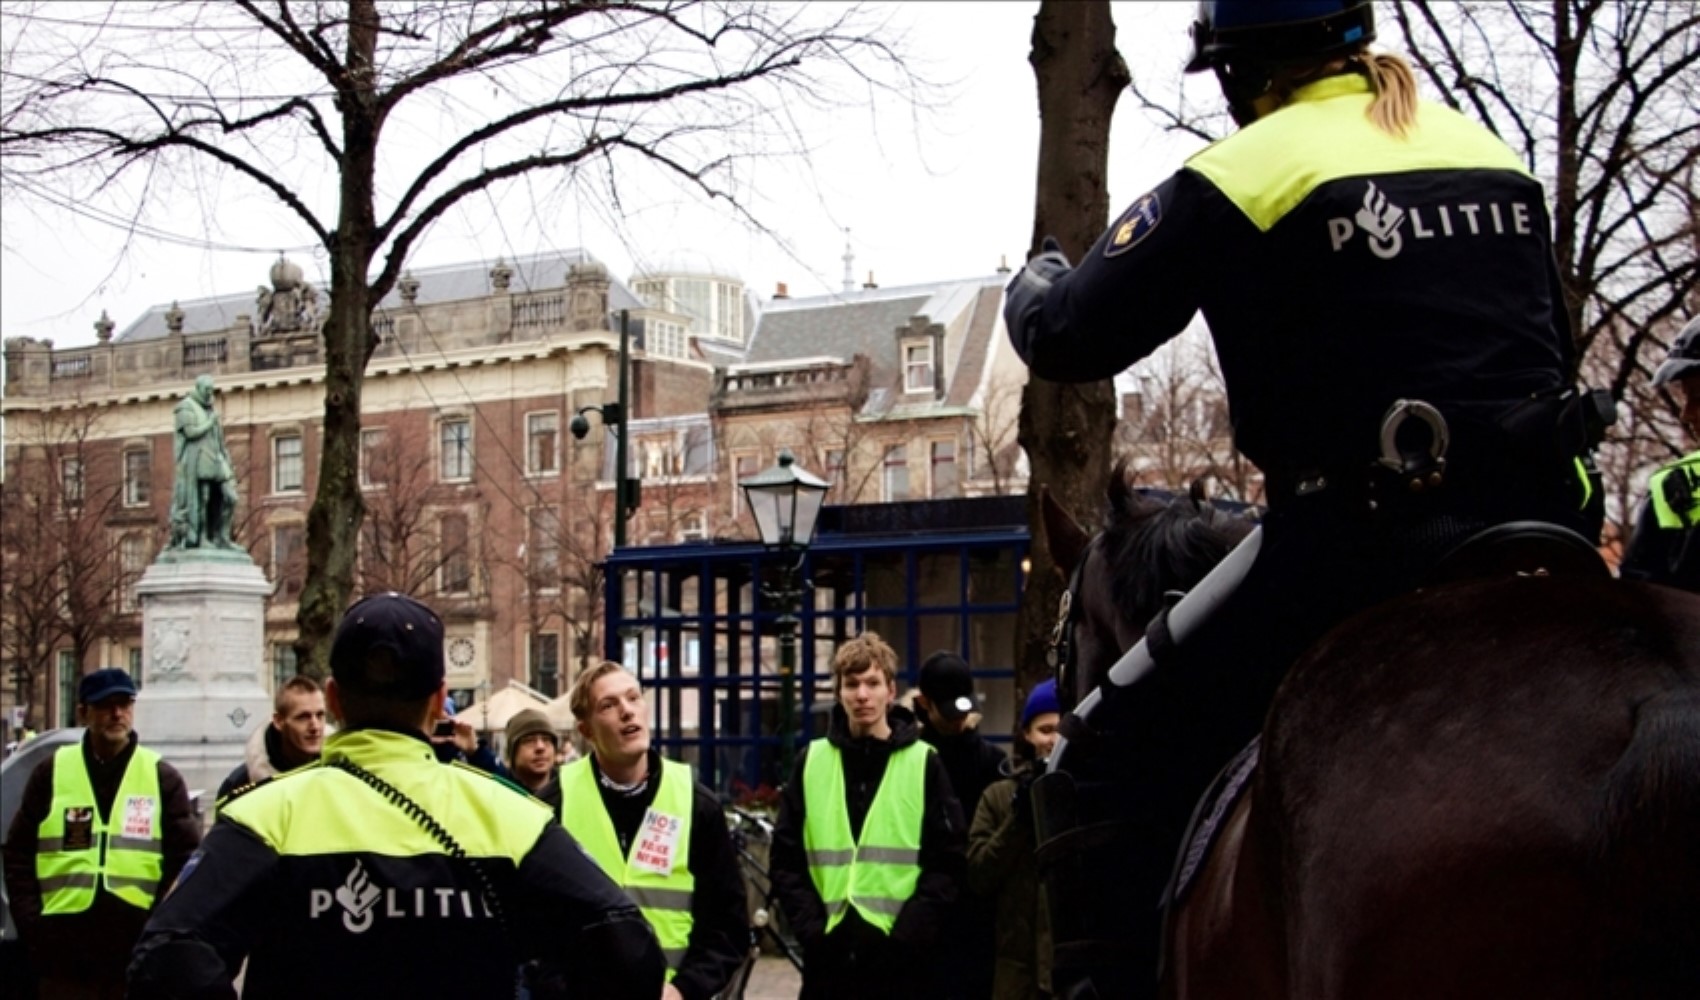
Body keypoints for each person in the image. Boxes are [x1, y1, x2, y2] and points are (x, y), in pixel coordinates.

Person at [1001, 0, 1607, 990]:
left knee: (1100, 741)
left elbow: (1068, 332)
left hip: (1356, 551)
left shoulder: (1241, 172)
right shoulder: (1489, 153)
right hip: (1548, 530)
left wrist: (1036, 278)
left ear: (1236, 71)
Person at [127, 592, 666, 999]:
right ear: (439, 701)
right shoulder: (509, 815)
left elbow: (163, 958)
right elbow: (629, 949)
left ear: (334, 699)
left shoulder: (265, 813)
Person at [771, 632, 966, 1000]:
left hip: (900, 963)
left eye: (873, 683)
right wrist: (812, 930)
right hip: (828, 960)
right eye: (852, 684)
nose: (862, 695)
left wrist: (909, 934)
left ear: (890, 691)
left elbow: (949, 860)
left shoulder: (923, 762)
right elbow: (785, 859)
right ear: (839, 692)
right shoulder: (811, 762)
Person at [1, 668, 200, 1000]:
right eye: (106, 705)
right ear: (83, 712)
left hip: (135, 951)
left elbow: (186, 862)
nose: (117, 714)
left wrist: (158, 927)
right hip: (63, 954)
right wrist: (32, 926)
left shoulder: (159, 776)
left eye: (124, 704)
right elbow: (18, 852)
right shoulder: (53, 771)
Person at [561, 661, 748, 1000]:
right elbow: (530, 925)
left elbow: (727, 927)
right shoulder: (554, 804)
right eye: (609, 705)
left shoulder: (697, 805)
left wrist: (683, 990)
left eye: (634, 698)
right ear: (586, 731)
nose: (627, 711)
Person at [912, 650, 1005, 1000]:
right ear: (925, 704)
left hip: (977, 916)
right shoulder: (911, 762)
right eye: (946, 710)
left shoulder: (991, 761)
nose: (956, 720)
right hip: (928, 915)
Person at [967, 680, 1061, 1000]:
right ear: (1027, 735)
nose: (1054, 740)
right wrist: (1017, 819)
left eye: (1061, 729)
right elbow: (978, 872)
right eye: (1045, 730)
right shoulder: (998, 797)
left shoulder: (1086, 794)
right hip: (1016, 973)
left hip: (1069, 970)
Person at [1620, 315, 1699, 592]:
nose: (1686, 414)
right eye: (1687, 397)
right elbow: (1637, 613)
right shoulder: (1675, 485)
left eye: (1699, 398)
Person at [214, 674, 327, 802]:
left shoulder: (340, 770)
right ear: (279, 721)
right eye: (303, 717)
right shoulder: (240, 784)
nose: (315, 726)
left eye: (320, 715)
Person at [168, 374, 239, 551]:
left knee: (231, 498)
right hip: (196, 460)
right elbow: (190, 433)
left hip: (216, 459)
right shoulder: (185, 407)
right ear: (198, 388)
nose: (210, 393)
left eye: (211, 390)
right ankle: (201, 537)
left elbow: (219, 439)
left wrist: (226, 459)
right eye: (207, 389)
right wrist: (210, 423)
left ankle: (222, 536)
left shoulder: (210, 409)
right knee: (202, 498)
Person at [503, 707, 565, 818]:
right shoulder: (501, 793)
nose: (540, 747)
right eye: (529, 740)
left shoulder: (569, 789)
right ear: (513, 752)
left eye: (546, 739)